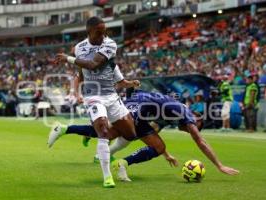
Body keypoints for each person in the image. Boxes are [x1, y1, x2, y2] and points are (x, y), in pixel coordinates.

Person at [48, 90, 239, 181]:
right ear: (196, 118)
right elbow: (201, 141)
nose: (192, 129)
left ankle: (121, 163)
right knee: (109, 133)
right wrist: (219, 165)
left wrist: (166, 155)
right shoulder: (186, 114)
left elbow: (153, 133)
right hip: (134, 110)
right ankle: (64, 129)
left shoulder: (172, 115)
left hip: (135, 108)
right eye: (197, 126)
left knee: (151, 144)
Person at [52, 16, 140, 188]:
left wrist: (68, 58)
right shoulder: (79, 48)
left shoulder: (110, 44)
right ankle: (107, 177)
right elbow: (82, 73)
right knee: (103, 131)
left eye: (104, 31)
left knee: (130, 134)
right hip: (93, 95)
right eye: (99, 32)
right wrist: (76, 91)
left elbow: (93, 65)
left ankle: (82, 131)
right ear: (89, 31)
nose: (102, 35)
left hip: (111, 96)